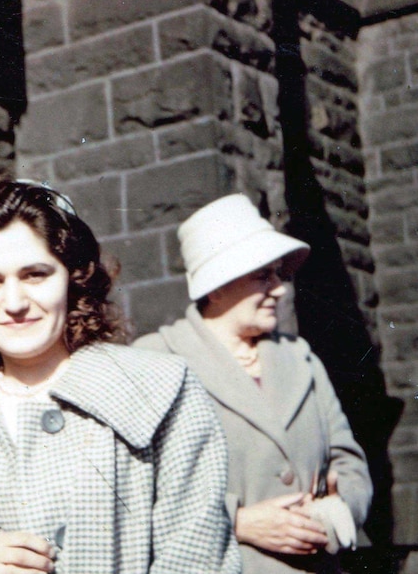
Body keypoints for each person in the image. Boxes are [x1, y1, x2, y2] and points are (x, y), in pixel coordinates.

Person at [0, 179, 241, 573]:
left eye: (35, 275)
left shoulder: (161, 389)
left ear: (73, 279)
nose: (14, 303)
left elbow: (197, 558)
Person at [134, 194, 373, 573]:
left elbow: (348, 460)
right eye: (263, 276)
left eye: (279, 273)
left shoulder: (301, 357)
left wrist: (337, 514)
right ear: (216, 287)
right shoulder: (156, 359)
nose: (280, 288)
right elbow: (136, 487)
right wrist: (237, 521)